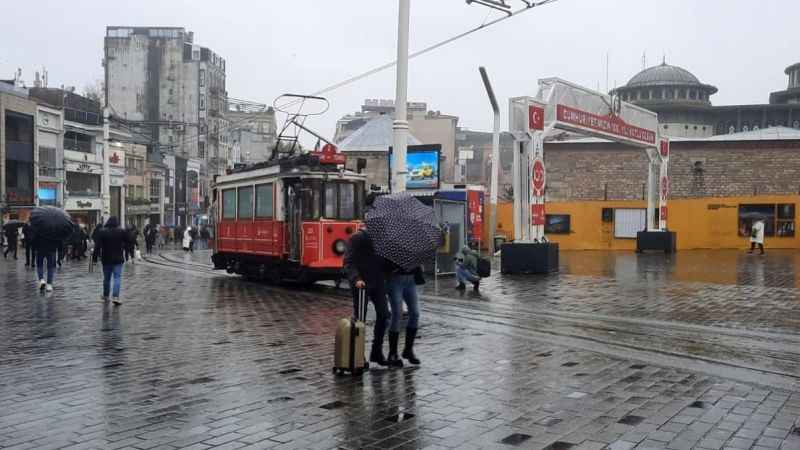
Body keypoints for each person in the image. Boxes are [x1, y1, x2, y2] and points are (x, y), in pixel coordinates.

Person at [343, 226, 391, 367]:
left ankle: (376, 352)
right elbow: (348, 262)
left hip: (378, 283)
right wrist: (356, 278)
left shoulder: (384, 240)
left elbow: (384, 263)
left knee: (384, 314)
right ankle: (358, 354)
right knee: (360, 319)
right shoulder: (357, 238)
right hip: (361, 284)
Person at [386, 263, 423, 367]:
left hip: (411, 280)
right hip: (395, 279)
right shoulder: (391, 252)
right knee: (397, 314)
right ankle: (393, 353)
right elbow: (383, 263)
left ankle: (408, 350)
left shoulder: (413, 252)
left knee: (415, 313)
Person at [93, 216, 132, 305]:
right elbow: (129, 240)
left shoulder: (102, 231)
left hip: (106, 259)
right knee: (117, 277)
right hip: (118, 259)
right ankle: (115, 296)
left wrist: (95, 258)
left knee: (106, 278)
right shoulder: (121, 231)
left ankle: (106, 296)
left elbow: (97, 246)